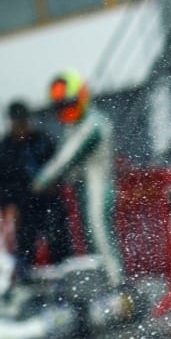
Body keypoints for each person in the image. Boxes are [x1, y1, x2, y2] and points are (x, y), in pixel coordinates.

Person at [32, 70, 122, 288]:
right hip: (84, 186)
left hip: (98, 185)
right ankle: (102, 283)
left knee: (99, 232)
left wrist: (42, 179)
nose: (65, 110)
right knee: (91, 237)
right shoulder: (76, 125)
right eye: (61, 106)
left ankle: (115, 282)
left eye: (68, 104)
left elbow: (66, 158)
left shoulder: (93, 125)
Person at [0, 100, 71, 280]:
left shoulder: (43, 141)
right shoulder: (3, 149)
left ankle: (65, 281)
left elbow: (58, 166)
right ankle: (29, 284)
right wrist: (8, 205)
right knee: (26, 248)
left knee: (59, 242)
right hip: (22, 206)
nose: (21, 127)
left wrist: (54, 186)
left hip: (48, 201)